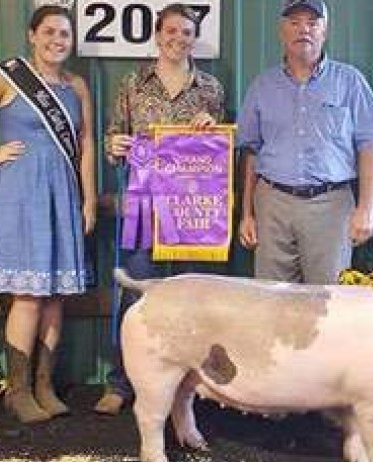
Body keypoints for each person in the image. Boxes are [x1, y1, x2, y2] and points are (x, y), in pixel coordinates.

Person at [0, 5, 97, 423]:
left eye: (64, 34)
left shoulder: (77, 85)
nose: (57, 40)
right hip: (20, 193)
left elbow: (86, 145)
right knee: (28, 295)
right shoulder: (8, 75)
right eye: (49, 32)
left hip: (61, 193)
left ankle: (44, 385)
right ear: (32, 35)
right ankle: (18, 390)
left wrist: (87, 200)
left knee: (55, 295)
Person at [94, 3, 225, 415]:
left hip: (190, 210)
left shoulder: (211, 89)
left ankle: (189, 384)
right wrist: (113, 146)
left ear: (193, 38)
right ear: (157, 34)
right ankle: (121, 382)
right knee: (135, 292)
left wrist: (212, 128)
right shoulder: (132, 83)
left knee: (190, 296)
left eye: (186, 32)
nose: (178, 38)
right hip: (143, 206)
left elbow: (218, 153)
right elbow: (114, 137)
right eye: (171, 30)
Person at [237, 0, 373, 284]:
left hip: (331, 207)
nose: (303, 30)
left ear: (325, 30)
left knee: (328, 301)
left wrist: (366, 209)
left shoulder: (350, 82)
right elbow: (250, 153)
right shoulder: (261, 87)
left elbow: (370, 147)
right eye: (295, 23)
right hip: (272, 205)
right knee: (272, 299)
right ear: (281, 31)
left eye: (312, 23)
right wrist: (246, 214)